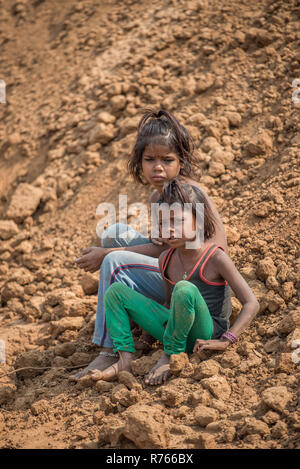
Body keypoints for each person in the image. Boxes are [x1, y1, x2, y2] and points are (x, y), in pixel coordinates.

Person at [70, 109, 230, 381]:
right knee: (115, 233)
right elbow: (164, 249)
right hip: (173, 270)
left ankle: (110, 350)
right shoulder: (159, 197)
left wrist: (107, 254)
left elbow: (181, 250)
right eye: (150, 159)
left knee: (113, 260)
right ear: (138, 162)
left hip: (195, 287)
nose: (158, 167)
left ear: (181, 162)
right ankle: (132, 320)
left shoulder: (190, 195)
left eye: (167, 160)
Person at [88, 178, 260, 385]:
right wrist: (147, 338)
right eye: (162, 223)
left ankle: (171, 355)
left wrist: (227, 339)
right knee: (116, 292)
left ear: (198, 221)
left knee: (184, 289)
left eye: (177, 221)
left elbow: (251, 303)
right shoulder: (166, 258)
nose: (169, 229)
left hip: (202, 334)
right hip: (174, 329)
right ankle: (125, 357)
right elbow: (168, 305)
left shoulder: (215, 258)